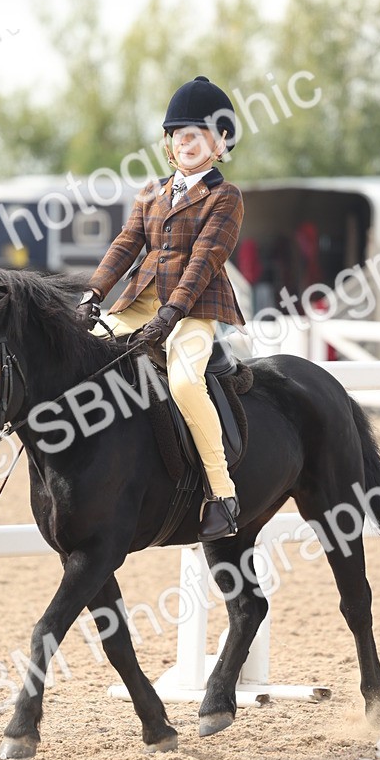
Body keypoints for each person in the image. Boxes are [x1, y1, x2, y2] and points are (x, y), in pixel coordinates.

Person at [76, 75, 246, 542]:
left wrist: (172, 313)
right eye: (179, 135)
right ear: (169, 142)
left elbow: (205, 259)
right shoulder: (152, 191)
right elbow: (125, 244)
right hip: (141, 300)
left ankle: (222, 493)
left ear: (220, 142)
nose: (187, 143)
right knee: (78, 353)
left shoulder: (225, 197)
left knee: (186, 382)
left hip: (194, 307)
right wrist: (92, 295)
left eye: (198, 135)